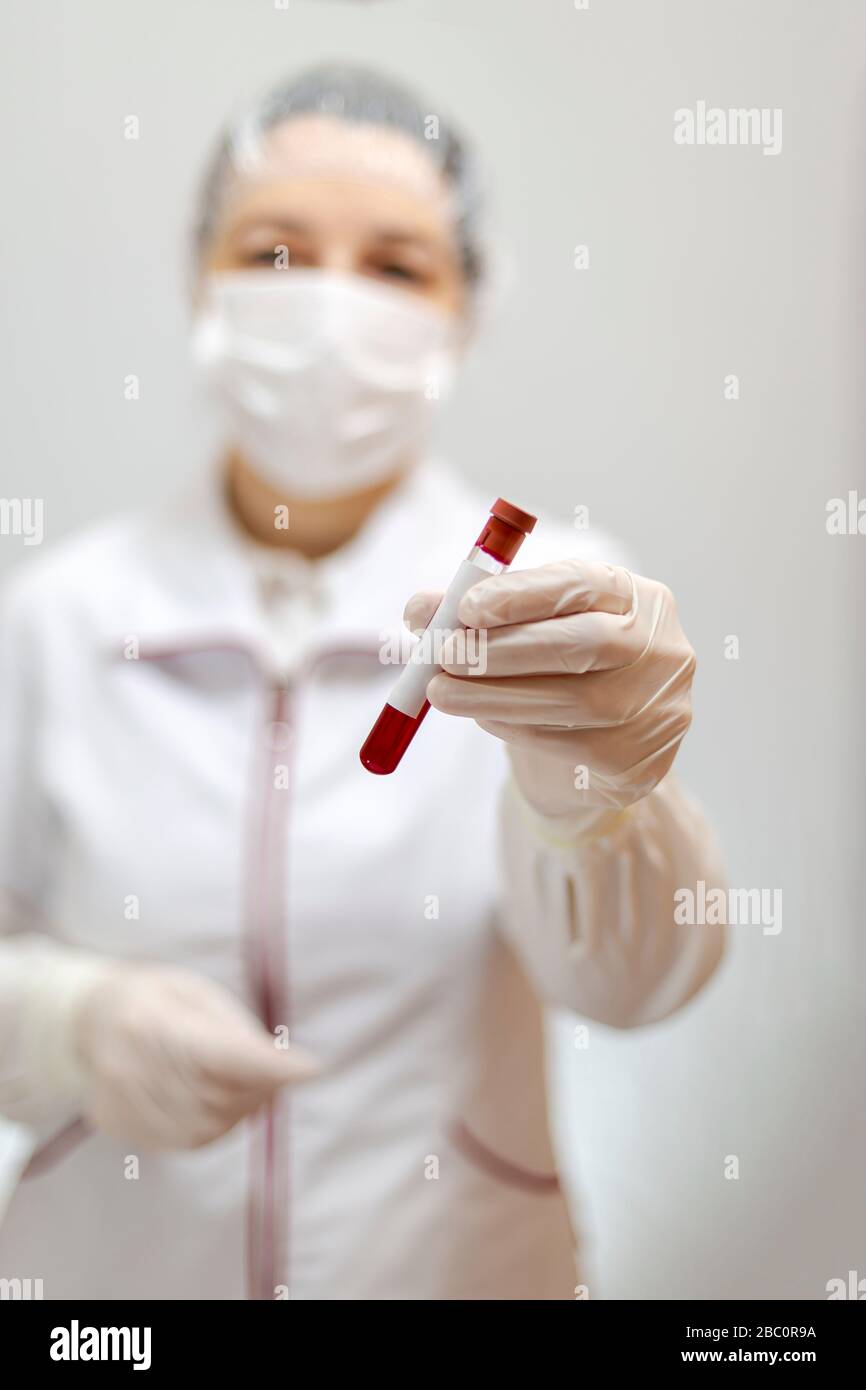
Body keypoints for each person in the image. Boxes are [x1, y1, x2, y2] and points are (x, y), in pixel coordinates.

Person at [0, 65, 725, 1300]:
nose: (332, 305)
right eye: (276, 252)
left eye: (395, 266)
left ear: (464, 310)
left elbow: (632, 987)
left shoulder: (567, 610)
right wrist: (64, 1020)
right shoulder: (60, 618)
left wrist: (592, 798)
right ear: (201, 287)